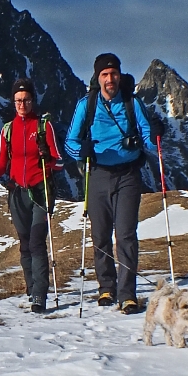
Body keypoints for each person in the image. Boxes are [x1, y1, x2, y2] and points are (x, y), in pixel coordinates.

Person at [64, 53, 163, 314]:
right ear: (98, 78)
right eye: (105, 75)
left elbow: (151, 144)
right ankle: (106, 287)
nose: (110, 79)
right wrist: (82, 151)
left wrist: (155, 134)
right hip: (97, 174)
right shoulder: (87, 104)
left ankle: (127, 294)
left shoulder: (133, 103)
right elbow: (70, 143)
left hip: (129, 175)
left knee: (127, 234)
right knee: (100, 235)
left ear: (120, 76)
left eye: (114, 74)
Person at [0, 78, 61, 314]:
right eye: (18, 100)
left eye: (26, 99)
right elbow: (1, 164)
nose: (22, 104)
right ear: (13, 102)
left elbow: (59, 161)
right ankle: (31, 288)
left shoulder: (44, 126)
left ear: (32, 100)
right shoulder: (8, 130)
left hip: (40, 192)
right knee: (25, 244)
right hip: (17, 193)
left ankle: (40, 294)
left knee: (36, 242)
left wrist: (47, 157)